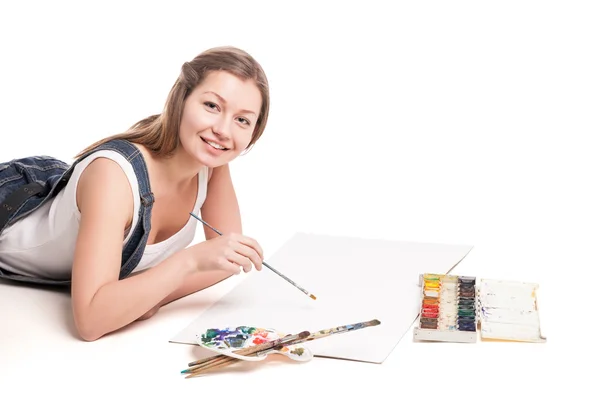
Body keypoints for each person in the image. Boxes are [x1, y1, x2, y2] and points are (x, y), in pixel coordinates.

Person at [0, 46, 269, 341]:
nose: (223, 130)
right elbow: (90, 321)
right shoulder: (113, 178)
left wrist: (150, 295)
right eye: (212, 106)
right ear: (182, 99)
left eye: (242, 120)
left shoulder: (211, 164)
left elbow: (227, 260)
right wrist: (187, 263)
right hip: (11, 205)